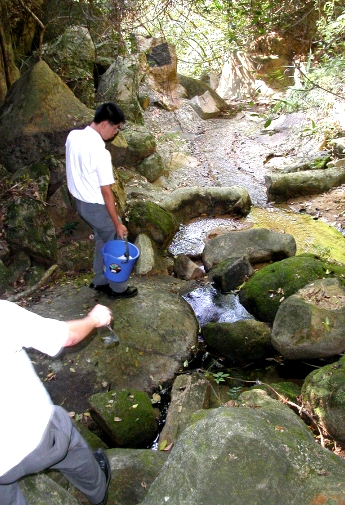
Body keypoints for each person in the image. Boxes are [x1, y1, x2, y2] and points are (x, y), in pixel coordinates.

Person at [0, 300, 113, 505]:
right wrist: (95, 318)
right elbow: (66, 336)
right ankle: (98, 492)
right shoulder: (3, 314)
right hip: (40, 437)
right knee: (71, 447)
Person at [66, 101, 137, 299]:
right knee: (116, 241)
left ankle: (99, 280)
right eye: (115, 128)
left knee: (101, 238)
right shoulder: (101, 153)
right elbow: (107, 193)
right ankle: (117, 287)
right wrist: (118, 224)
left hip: (79, 203)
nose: (116, 133)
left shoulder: (73, 136)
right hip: (95, 206)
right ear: (105, 124)